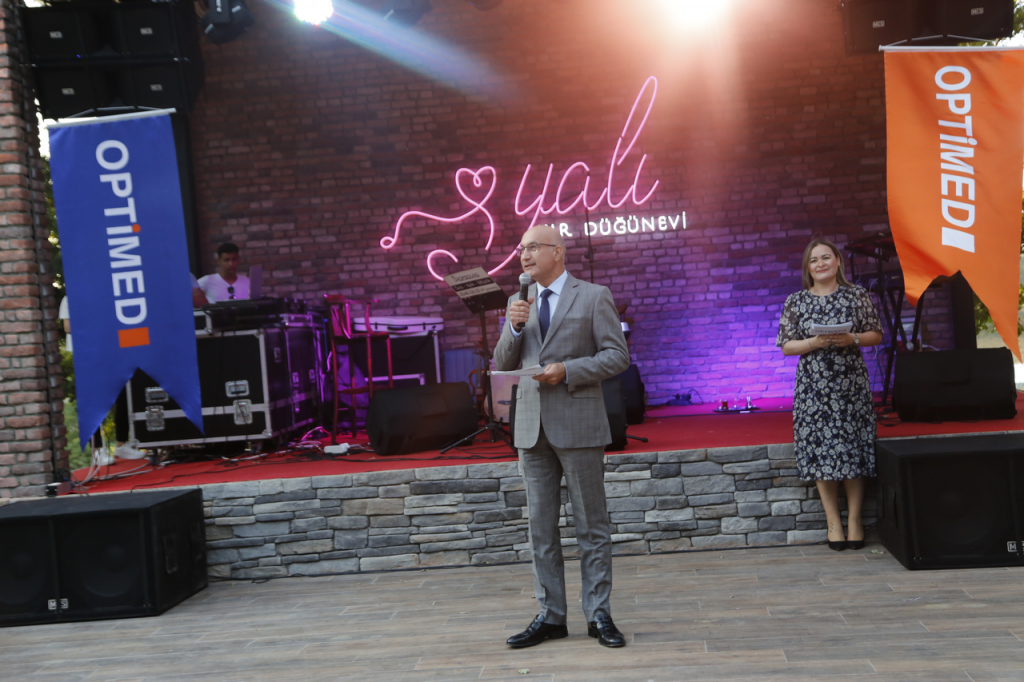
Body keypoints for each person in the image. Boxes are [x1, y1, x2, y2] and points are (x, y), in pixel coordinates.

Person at [494, 224, 630, 649]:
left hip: (579, 422)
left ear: (558, 252)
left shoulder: (593, 296)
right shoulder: (517, 301)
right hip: (530, 427)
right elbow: (503, 361)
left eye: (533, 247)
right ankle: (551, 615)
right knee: (540, 529)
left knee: (591, 525)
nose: (524, 255)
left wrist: (568, 370)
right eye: (521, 248)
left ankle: (598, 614)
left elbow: (617, 356)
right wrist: (515, 329)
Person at [777, 238, 883, 551]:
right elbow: (786, 346)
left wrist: (852, 338)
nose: (820, 264)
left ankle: (855, 520)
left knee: (852, 450)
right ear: (807, 268)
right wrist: (815, 342)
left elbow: (875, 334)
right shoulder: (796, 301)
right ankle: (833, 522)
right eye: (814, 260)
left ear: (837, 260)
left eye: (825, 257)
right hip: (814, 388)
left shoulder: (856, 294)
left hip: (850, 385)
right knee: (821, 452)